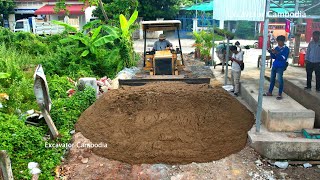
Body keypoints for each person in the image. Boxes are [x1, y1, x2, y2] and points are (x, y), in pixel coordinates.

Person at [264, 35, 290, 100]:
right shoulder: (277, 48)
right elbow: (274, 57)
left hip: (281, 66)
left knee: (279, 79)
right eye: (278, 42)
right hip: (275, 65)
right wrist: (271, 52)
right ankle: (270, 92)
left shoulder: (286, 49)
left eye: (279, 42)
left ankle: (280, 93)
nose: (278, 43)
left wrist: (276, 53)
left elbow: (283, 58)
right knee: (272, 79)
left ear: (283, 41)